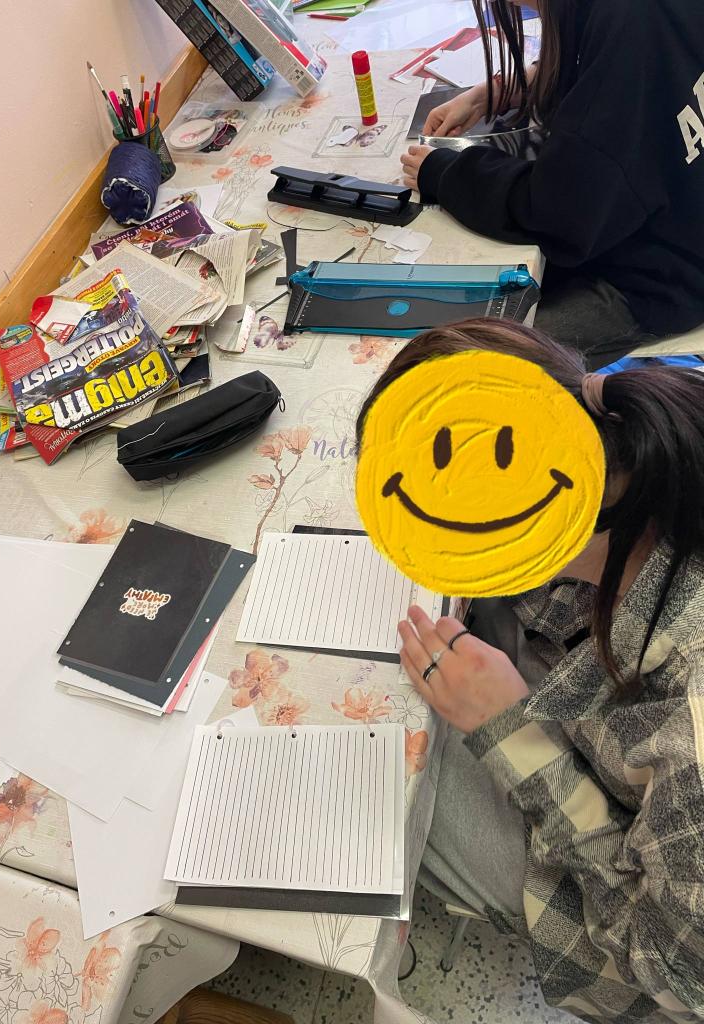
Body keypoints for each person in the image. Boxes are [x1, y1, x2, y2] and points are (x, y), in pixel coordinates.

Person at [356, 318, 704, 1022]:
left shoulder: (691, 726)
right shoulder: (638, 426)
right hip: (618, 743)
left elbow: (675, 975)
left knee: (377, 779)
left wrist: (512, 732)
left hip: (646, 941)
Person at [400, 0, 704, 370]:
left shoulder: (630, 21)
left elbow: (557, 214)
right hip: (667, 212)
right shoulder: (627, 18)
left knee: (458, 362)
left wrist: (445, 172)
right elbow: (621, 67)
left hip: (662, 275)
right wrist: (505, 87)